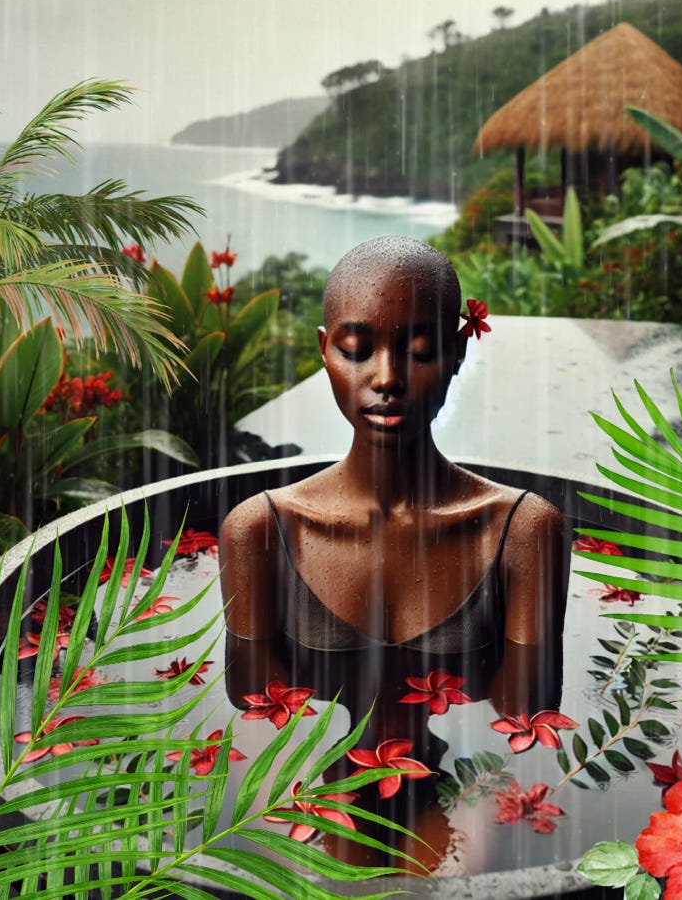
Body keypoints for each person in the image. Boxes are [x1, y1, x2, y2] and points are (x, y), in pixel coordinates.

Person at [219, 235, 569, 869]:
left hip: (465, 786)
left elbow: (530, 726)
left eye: (420, 351)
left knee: (466, 876)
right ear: (324, 351)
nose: (386, 378)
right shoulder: (263, 535)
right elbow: (260, 730)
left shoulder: (521, 533)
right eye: (357, 350)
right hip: (319, 796)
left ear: (458, 354)